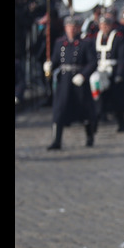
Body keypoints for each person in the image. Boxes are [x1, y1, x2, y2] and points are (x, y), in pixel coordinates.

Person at [44, 15, 97, 150]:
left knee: (84, 110)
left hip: (79, 81)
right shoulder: (60, 43)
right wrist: (49, 65)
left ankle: (89, 137)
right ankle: (57, 140)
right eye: (69, 27)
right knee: (59, 111)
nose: (71, 29)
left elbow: (92, 62)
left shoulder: (85, 44)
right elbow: (56, 60)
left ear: (78, 28)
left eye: (74, 27)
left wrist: (83, 75)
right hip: (64, 81)